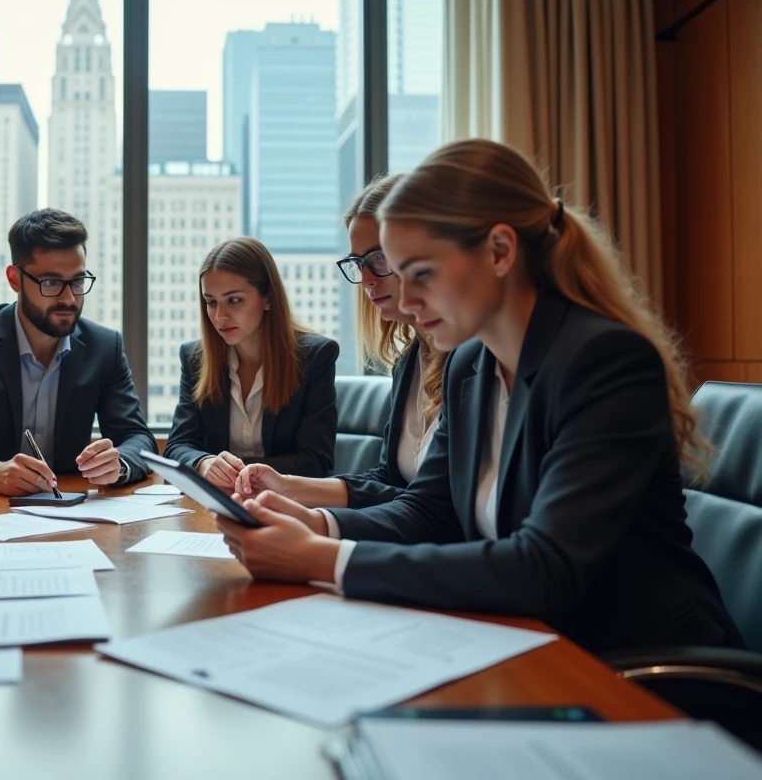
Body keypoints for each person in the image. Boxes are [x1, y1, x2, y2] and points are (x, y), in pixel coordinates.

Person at [216, 139, 742, 653]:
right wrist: (316, 524)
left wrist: (321, 558)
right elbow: (429, 510)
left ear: (499, 251)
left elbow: (546, 567)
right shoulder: (472, 365)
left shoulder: (603, 361)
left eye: (422, 273)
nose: (407, 298)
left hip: (639, 665)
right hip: (524, 642)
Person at [0, 208, 157, 496]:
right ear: (15, 279)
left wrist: (119, 464)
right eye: (51, 282)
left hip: (72, 507)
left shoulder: (105, 346)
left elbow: (138, 438)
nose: (68, 298)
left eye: (77, 281)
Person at [234, 175, 447, 508]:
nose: (365, 280)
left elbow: (433, 506)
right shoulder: (409, 362)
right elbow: (389, 479)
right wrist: (286, 487)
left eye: (379, 258)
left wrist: (318, 521)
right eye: (358, 264)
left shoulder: (473, 360)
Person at [163, 237, 338, 491]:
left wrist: (232, 471)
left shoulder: (314, 357)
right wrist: (204, 463)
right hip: (219, 503)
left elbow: (315, 461)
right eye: (211, 302)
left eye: (234, 300)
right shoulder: (195, 358)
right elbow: (177, 447)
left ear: (268, 297)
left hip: (286, 503)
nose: (220, 316)